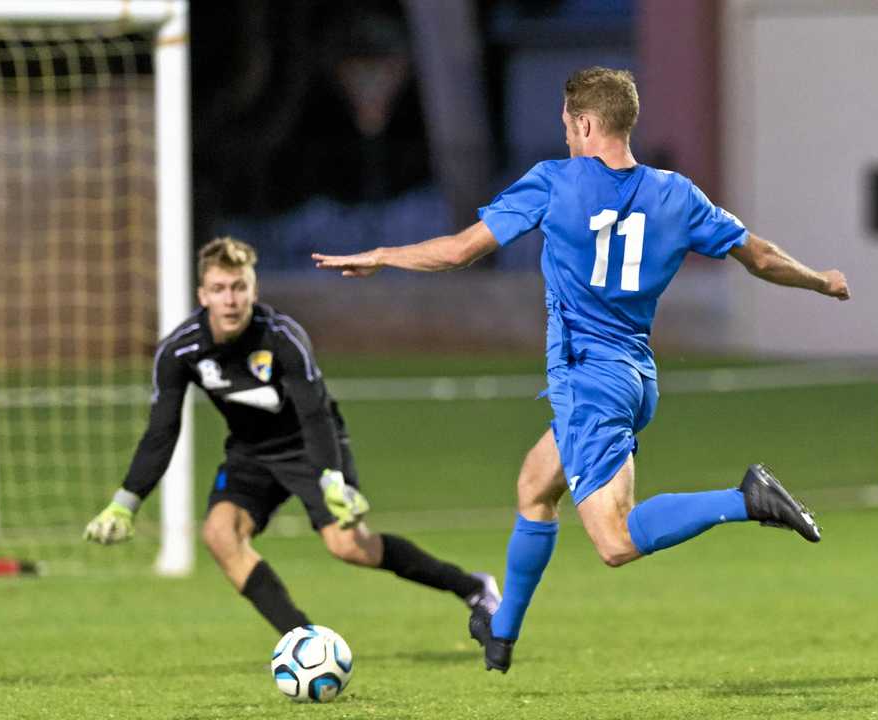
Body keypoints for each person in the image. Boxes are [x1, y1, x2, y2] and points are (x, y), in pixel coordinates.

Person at [311, 67, 850, 673]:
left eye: (568, 127)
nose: (565, 138)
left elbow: (462, 250)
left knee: (615, 543)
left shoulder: (554, 183)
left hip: (588, 380)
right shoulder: (677, 194)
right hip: (634, 377)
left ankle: (744, 499)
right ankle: (501, 632)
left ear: (586, 123)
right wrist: (820, 281)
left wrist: (383, 256)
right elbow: (760, 257)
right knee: (536, 487)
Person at [84, 237, 500, 638]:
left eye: (238, 288)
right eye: (219, 289)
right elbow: (163, 430)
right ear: (203, 295)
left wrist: (331, 477)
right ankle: (302, 639)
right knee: (219, 534)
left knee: (349, 546)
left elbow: (315, 413)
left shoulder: (281, 337)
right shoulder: (180, 351)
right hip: (250, 454)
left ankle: (472, 587)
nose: (229, 300)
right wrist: (126, 502)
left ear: (253, 289)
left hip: (309, 446)